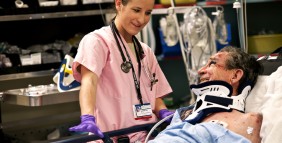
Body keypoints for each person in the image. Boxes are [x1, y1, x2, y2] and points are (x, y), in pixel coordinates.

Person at [68, 0, 174, 142]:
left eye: (147, 13)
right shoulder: (97, 41)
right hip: (111, 138)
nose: (142, 19)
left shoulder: (145, 51)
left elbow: (153, 93)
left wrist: (163, 112)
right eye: (136, 10)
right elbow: (90, 81)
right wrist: (87, 116)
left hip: (148, 136)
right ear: (119, 4)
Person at [148, 46, 263, 143]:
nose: (201, 71)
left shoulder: (248, 121)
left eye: (213, 63)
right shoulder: (185, 114)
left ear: (235, 76)